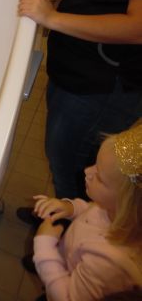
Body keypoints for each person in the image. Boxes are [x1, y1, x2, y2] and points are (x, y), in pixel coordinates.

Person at [18, 0, 142, 201]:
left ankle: (71, 225)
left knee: (81, 172)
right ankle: (61, 216)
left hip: (101, 85)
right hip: (73, 73)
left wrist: (51, 17)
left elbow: (137, 28)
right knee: (61, 158)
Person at [30, 123, 142, 301]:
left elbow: (67, 297)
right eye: (95, 165)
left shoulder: (108, 263)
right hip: (65, 256)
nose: (87, 171)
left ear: (128, 204)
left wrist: (44, 245)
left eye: (100, 178)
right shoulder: (117, 211)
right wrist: (71, 208)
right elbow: (95, 209)